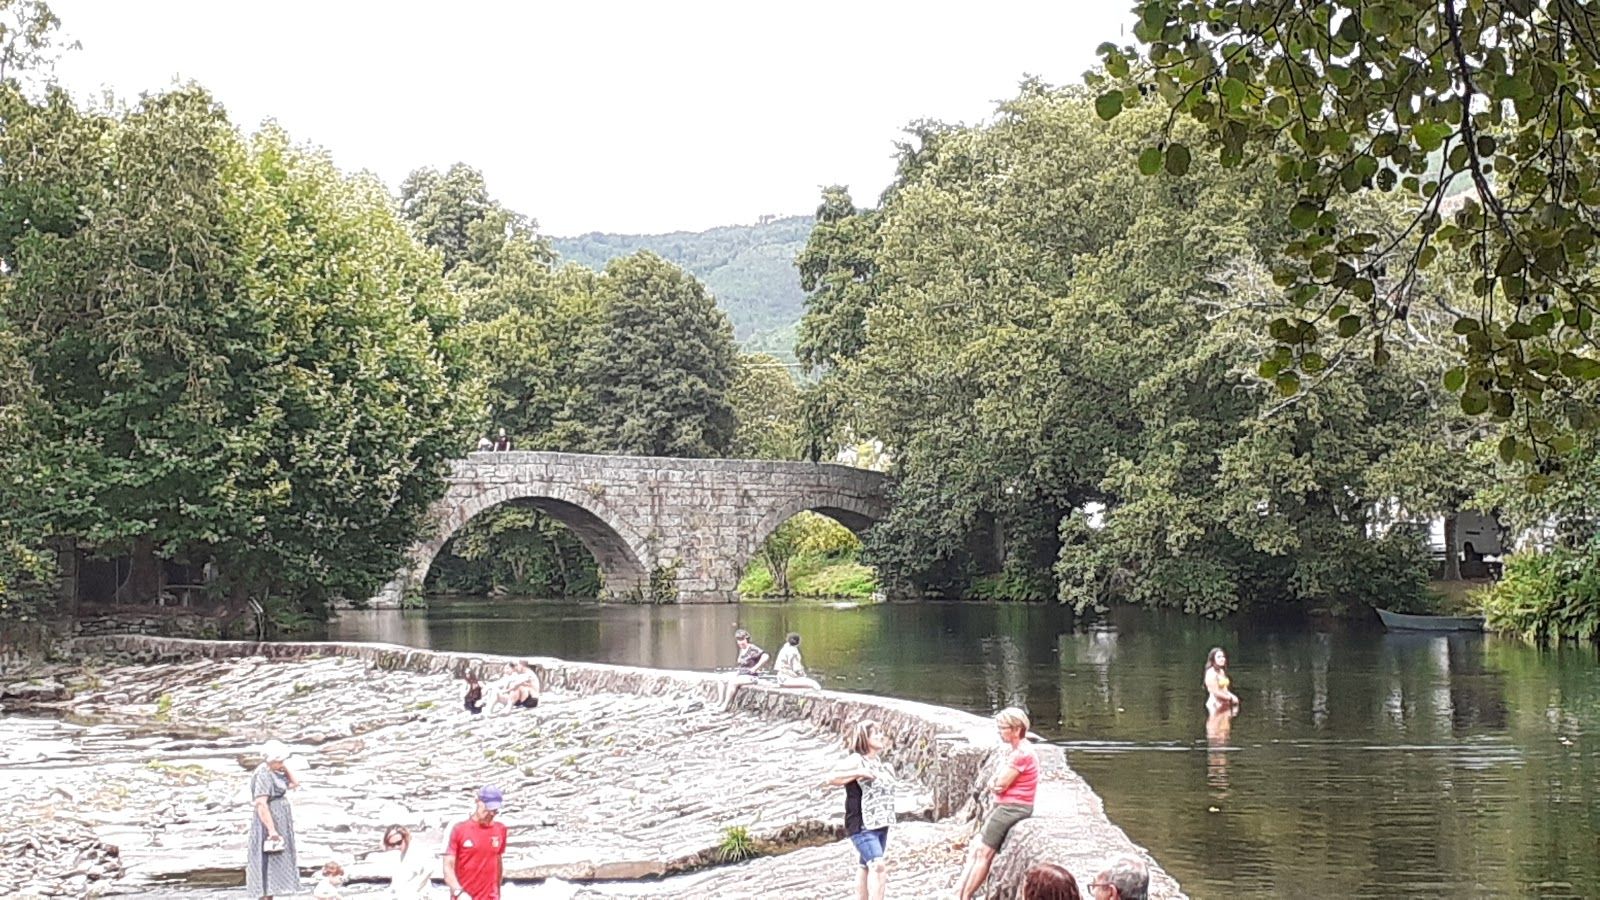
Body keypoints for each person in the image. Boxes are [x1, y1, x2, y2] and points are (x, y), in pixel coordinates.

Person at [956, 708, 1039, 900]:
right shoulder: (1017, 751)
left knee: (984, 853)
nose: (999, 732)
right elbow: (996, 782)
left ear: (1016, 729)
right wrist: (995, 783)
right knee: (978, 849)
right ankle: (961, 893)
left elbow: (1000, 783)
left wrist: (995, 784)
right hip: (1009, 805)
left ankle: (965, 896)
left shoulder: (1022, 754)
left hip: (1013, 807)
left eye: (1002, 728)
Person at [826, 721, 896, 900]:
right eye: (876, 734)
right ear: (865, 739)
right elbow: (831, 777)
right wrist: (859, 772)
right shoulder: (856, 760)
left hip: (880, 823)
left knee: (865, 866)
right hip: (861, 824)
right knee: (878, 866)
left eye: (881, 732)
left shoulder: (879, 762)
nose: (881, 736)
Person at [246, 739, 301, 900]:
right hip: (270, 821)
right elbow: (261, 803)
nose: (282, 763)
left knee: (277, 859)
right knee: (267, 860)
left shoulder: (275, 771)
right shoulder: (263, 773)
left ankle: (271, 894)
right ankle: (264, 896)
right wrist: (272, 830)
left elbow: (295, 783)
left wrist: (285, 767)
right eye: (280, 760)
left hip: (280, 818)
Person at [444, 785, 508, 900]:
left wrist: (498, 892)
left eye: (495, 810)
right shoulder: (459, 828)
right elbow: (448, 866)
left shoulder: (500, 829)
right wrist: (458, 892)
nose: (491, 814)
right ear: (478, 802)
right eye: (488, 809)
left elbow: (498, 862)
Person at [382, 825, 434, 900]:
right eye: (392, 844)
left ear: (406, 836)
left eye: (399, 843)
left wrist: (411, 892)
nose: (396, 847)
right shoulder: (400, 854)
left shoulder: (419, 851)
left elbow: (428, 871)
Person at [1204, 647, 1240, 713]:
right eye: (1219, 657)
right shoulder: (1211, 673)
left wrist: (1232, 696)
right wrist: (1231, 699)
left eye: (1223, 657)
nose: (1222, 659)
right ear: (1213, 659)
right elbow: (1215, 692)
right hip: (1215, 705)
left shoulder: (1221, 671)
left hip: (1225, 703)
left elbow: (1224, 689)